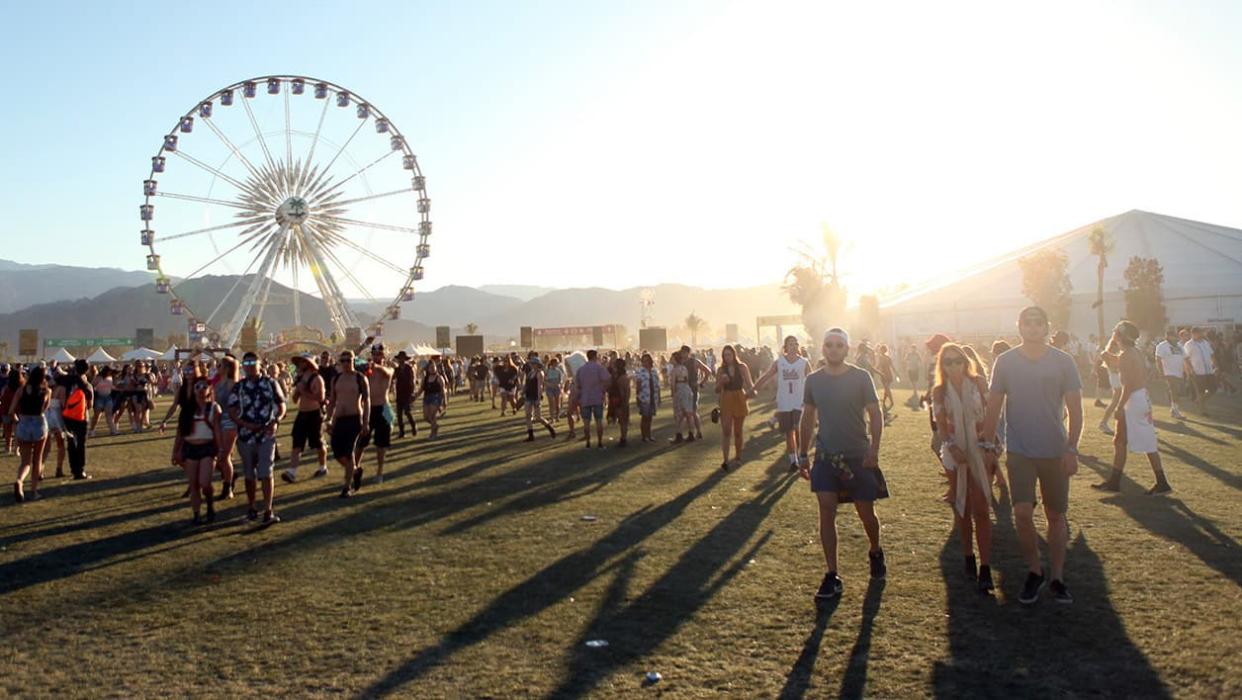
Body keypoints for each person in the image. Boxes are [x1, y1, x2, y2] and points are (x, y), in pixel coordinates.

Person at [981, 306, 1082, 605]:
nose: (1034, 328)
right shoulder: (1006, 362)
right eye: (1028, 323)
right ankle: (1035, 570)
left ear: (1047, 327)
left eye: (1039, 323)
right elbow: (993, 406)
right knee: (1022, 514)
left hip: (1055, 450)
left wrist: (1072, 448)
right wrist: (989, 446)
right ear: (1020, 326)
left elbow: (1076, 410)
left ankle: (1058, 578)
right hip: (1020, 451)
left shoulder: (1064, 362)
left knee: (1055, 515)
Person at [798, 328, 887, 599]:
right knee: (826, 509)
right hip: (826, 456)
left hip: (857, 455)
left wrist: (874, 449)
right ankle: (832, 574)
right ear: (822, 349)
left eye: (839, 345)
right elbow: (808, 416)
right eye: (829, 345)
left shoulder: (861, 377)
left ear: (846, 349)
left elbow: (875, 413)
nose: (833, 349)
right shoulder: (813, 380)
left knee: (865, 514)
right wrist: (802, 453)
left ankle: (875, 550)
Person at [932, 343, 996, 593]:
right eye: (947, 361)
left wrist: (989, 445)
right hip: (955, 451)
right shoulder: (939, 391)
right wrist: (951, 445)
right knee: (962, 506)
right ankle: (968, 556)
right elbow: (940, 424)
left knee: (981, 507)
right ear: (942, 365)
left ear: (965, 361)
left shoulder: (979, 383)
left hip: (980, 447)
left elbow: (991, 414)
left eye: (957, 360)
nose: (953, 365)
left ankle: (986, 567)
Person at [1092, 321, 1172, 495]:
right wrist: (1109, 357)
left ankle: (1157, 482)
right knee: (1127, 440)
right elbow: (1124, 363)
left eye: (1115, 332)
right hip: (1140, 398)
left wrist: (1120, 407)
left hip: (1133, 400)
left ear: (1120, 335)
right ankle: (1119, 481)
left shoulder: (1128, 354)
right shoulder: (1133, 352)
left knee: (1127, 441)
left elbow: (1128, 384)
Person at [227, 352, 286, 524]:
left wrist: (275, 421)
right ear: (242, 366)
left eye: (253, 362)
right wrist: (244, 424)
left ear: (260, 364)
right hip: (246, 436)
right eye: (246, 362)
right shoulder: (239, 387)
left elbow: (281, 405)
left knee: (266, 473)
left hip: (266, 434)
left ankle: (268, 510)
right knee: (249, 474)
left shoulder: (270, 383)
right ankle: (252, 507)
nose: (250, 365)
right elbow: (231, 409)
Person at [754, 335, 811, 471]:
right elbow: (767, 376)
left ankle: (801, 455)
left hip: (800, 402)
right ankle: (793, 461)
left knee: (798, 430)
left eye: (796, 343)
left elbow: (812, 379)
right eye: (791, 344)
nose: (794, 346)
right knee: (789, 432)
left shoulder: (804, 362)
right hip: (785, 402)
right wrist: (753, 389)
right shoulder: (779, 362)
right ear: (785, 347)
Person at [180, 376, 223, 524]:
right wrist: (177, 450)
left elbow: (217, 430)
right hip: (190, 447)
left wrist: (221, 449)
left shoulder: (214, 407)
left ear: (209, 389)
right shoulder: (187, 408)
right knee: (193, 484)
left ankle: (210, 504)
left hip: (207, 447)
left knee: (205, 482)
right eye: (197, 387)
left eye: (204, 387)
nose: (200, 390)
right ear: (193, 389)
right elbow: (181, 432)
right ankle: (196, 514)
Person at [327, 350, 369, 497]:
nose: (345, 363)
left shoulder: (360, 378)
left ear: (353, 361)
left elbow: (367, 401)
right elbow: (332, 401)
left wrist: (365, 422)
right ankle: (356, 471)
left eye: (348, 360)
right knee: (337, 451)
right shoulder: (336, 379)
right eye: (343, 360)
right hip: (339, 419)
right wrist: (329, 419)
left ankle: (346, 487)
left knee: (349, 452)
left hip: (354, 418)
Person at [282, 354, 328, 483]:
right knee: (297, 443)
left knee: (318, 442)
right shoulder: (300, 379)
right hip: (302, 413)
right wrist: (297, 392)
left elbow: (320, 398)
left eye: (303, 361)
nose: (300, 364)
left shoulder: (317, 378)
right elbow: (296, 400)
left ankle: (322, 466)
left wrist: (304, 391)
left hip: (314, 414)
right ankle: (292, 472)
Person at [10, 367, 51, 502]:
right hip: (39, 423)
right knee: (37, 460)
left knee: (25, 462)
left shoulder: (21, 390)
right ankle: (34, 492)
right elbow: (45, 409)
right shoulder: (47, 391)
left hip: (24, 423)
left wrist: (17, 418)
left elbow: (11, 410)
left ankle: (19, 481)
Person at [356, 344, 395, 484]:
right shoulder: (367, 371)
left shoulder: (388, 369)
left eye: (379, 353)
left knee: (381, 444)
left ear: (383, 355)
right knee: (361, 441)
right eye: (374, 353)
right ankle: (355, 468)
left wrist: (374, 366)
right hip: (369, 408)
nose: (377, 355)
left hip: (383, 408)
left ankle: (379, 471)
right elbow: (353, 359)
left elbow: (387, 373)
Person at [714, 345, 755, 470]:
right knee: (726, 430)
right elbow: (716, 389)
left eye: (729, 355)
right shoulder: (721, 370)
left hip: (739, 397)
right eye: (725, 355)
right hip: (726, 398)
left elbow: (750, 384)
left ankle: (738, 457)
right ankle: (725, 460)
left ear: (734, 354)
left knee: (738, 431)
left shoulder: (742, 367)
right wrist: (721, 382)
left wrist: (750, 394)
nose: (727, 358)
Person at [59, 359, 93, 481]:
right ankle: (80, 470)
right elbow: (90, 404)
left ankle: (74, 469)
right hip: (82, 417)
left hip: (68, 416)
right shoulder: (87, 384)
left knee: (71, 443)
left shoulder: (67, 380)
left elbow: (62, 397)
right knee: (81, 444)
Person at [212, 355, 239, 499]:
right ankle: (230, 476)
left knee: (224, 456)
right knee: (219, 456)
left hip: (230, 422)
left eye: (220, 366)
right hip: (218, 421)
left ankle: (227, 488)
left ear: (227, 368)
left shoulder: (234, 384)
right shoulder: (217, 384)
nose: (217, 368)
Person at [575, 349, 611, 448]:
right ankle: (600, 442)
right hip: (597, 397)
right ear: (595, 356)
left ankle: (588, 442)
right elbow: (607, 380)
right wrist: (604, 389)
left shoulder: (581, 369)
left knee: (586, 422)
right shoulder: (599, 368)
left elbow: (577, 385)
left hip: (585, 397)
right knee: (599, 420)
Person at [678, 346, 714, 441]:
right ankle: (695, 433)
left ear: (688, 352)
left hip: (692, 389)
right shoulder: (681, 362)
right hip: (684, 389)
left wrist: (702, 382)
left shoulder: (694, 361)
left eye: (684, 352)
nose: (682, 354)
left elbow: (708, 371)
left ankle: (694, 433)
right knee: (687, 412)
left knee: (692, 412)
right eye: (682, 352)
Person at [520, 353, 557, 442]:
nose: (532, 365)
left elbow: (540, 386)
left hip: (535, 396)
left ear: (537, 364)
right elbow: (527, 384)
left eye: (534, 363)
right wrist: (523, 391)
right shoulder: (530, 373)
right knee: (528, 415)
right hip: (529, 395)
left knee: (538, 417)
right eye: (531, 363)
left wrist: (538, 398)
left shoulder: (540, 373)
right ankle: (531, 435)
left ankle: (550, 428)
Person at [1154, 329, 1187, 420]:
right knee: (1174, 390)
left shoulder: (1179, 345)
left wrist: (1186, 371)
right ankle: (1175, 411)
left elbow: (1184, 358)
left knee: (1177, 392)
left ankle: (1174, 409)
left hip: (1179, 372)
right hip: (1169, 372)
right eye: (1173, 336)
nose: (1175, 338)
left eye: (1175, 336)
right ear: (1168, 336)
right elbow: (1158, 359)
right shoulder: (1162, 346)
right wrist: (1161, 372)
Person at [1183, 326, 1217, 415]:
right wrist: (1190, 370)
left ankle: (1198, 401)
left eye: (1201, 332)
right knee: (1201, 392)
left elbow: (1212, 354)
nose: (1201, 334)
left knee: (1213, 389)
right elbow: (1186, 358)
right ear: (1193, 334)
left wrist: (1215, 366)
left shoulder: (1205, 342)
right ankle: (1203, 411)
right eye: (1199, 333)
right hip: (1198, 372)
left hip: (1209, 371)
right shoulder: (1189, 344)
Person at [414, 356, 446, 438]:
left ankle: (433, 433)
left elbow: (443, 390)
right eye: (430, 367)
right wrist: (415, 396)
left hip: (436, 397)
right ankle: (435, 426)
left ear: (436, 368)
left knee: (432, 415)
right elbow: (421, 389)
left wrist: (444, 401)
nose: (432, 369)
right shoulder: (425, 378)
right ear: (428, 369)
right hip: (427, 397)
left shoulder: (439, 378)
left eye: (433, 367)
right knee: (426, 417)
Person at [633, 353, 661, 443]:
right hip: (644, 396)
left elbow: (657, 385)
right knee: (645, 417)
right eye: (643, 361)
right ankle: (644, 436)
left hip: (653, 396)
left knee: (650, 417)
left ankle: (649, 435)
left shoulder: (654, 371)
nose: (645, 363)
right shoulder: (640, 371)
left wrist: (659, 397)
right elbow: (638, 385)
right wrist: (637, 396)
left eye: (647, 361)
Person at [1097, 338, 1123, 436]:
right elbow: (1114, 369)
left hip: (1117, 378)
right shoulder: (1109, 355)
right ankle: (1103, 423)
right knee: (1115, 401)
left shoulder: (1114, 355)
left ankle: (1104, 422)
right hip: (1116, 379)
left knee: (1118, 402)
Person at [393, 351, 417, 439]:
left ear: (405, 359)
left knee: (407, 412)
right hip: (399, 393)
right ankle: (401, 432)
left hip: (408, 393)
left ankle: (413, 426)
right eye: (400, 358)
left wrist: (413, 392)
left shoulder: (409, 368)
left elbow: (413, 380)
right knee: (399, 414)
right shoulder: (397, 369)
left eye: (402, 358)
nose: (401, 360)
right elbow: (393, 379)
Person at [607, 358, 630, 446]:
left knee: (623, 421)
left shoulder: (620, 378)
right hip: (619, 400)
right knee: (623, 421)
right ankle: (623, 437)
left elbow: (624, 391)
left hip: (619, 400)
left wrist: (625, 401)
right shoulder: (622, 377)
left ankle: (623, 438)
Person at [89, 367, 118, 437]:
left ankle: (113, 430)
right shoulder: (98, 378)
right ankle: (92, 430)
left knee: (109, 415)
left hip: (108, 397)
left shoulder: (111, 378)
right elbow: (91, 386)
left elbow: (113, 387)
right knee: (97, 415)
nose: (110, 373)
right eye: (109, 371)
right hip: (99, 397)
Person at [544, 357, 565, 422]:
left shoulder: (558, 371)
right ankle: (552, 418)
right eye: (556, 363)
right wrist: (548, 384)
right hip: (549, 388)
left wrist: (559, 384)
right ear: (552, 363)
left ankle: (557, 417)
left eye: (557, 363)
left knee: (557, 404)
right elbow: (544, 380)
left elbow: (561, 380)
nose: (557, 364)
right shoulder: (547, 371)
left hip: (556, 388)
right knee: (551, 403)